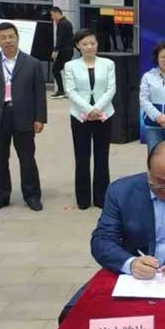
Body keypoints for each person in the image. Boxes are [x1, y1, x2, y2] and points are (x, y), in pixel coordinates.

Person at [56, 141, 165, 324]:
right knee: (74, 316)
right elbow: (102, 240)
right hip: (133, 278)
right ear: (148, 171)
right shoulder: (121, 191)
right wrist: (130, 263)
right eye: (159, 182)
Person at [0, 22, 47, 212]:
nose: (8, 41)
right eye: (3, 38)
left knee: (27, 158)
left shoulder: (32, 63)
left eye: (11, 36)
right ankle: (1, 197)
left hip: (24, 116)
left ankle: (32, 196)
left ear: (17, 38)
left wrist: (40, 118)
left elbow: (40, 93)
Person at [64, 28, 116, 210]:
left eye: (92, 43)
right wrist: (88, 110)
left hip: (104, 116)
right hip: (80, 117)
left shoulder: (108, 64)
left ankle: (101, 197)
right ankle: (83, 199)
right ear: (78, 46)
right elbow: (70, 91)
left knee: (102, 157)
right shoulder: (71, 66)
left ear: (97, 44)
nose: (89, 47)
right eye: (85, 44)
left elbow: (111, 89)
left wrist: (97, 109)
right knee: (82, 157)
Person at [50, 6, 74, 99]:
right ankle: (63, 91)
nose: (52, 17)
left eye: (52, 15)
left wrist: (55, 50)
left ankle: (62, 91)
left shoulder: (62, 23)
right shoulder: (67, 22)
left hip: (64, 51)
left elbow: (60, 38)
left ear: (57, 13)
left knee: (56, 70)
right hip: (67, 51)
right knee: (63, 70)